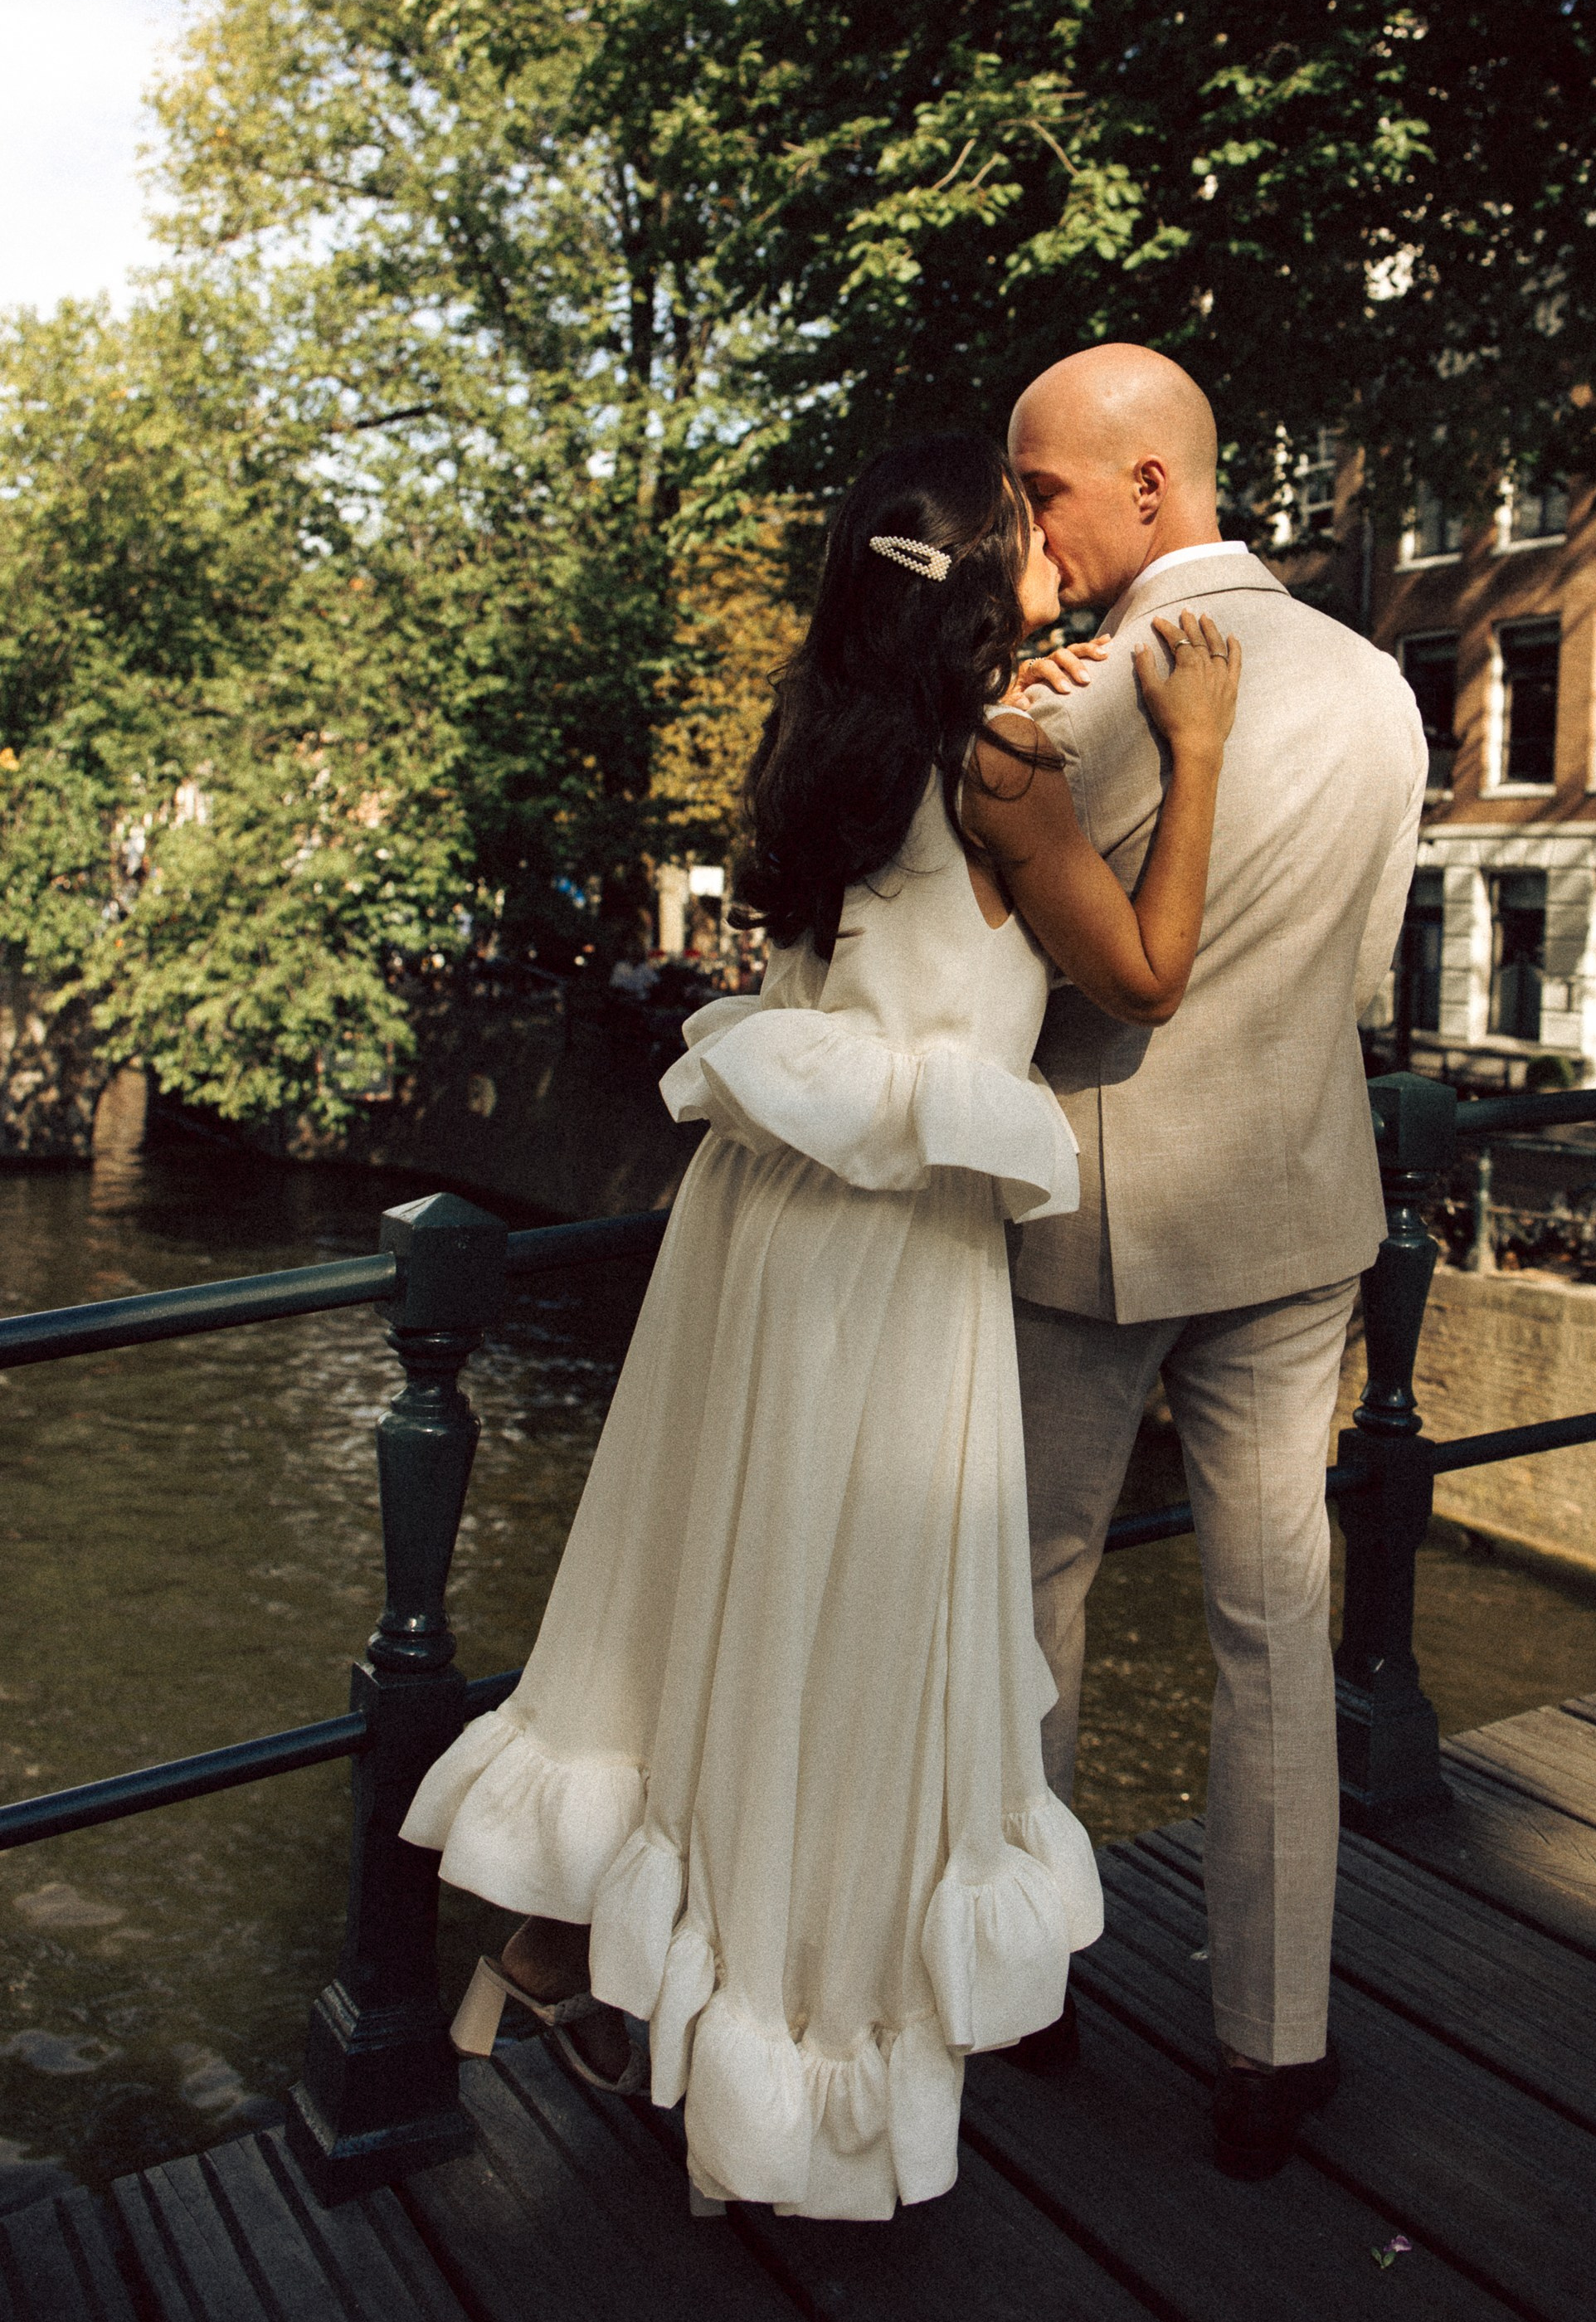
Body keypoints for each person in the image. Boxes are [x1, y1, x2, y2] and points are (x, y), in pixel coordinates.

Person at [401, 431, 1242, 2222]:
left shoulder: (822, 750)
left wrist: (1024, 693)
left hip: (757, 1228)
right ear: (977, 578)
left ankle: (578, 1950)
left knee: (708, 1590)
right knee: (844, 1630)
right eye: (1025, 527)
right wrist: (1200, 746)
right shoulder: (1014, 770)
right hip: (888, 1246)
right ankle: (779, 2078)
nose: (1051, 547)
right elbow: (1147, 976)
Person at [1004, 343, 1425, 2181]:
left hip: (1089, 1214)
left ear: (1150, 490)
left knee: (1030, 1603)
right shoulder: (1383, 688)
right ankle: (1275, 2042)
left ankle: (1019, 1983)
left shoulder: (1078, 702)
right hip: (1300, 1211)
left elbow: (1020, 975)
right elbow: (1359, 982)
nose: (1031, 529)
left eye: (1044, 494)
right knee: (1278, 1623)